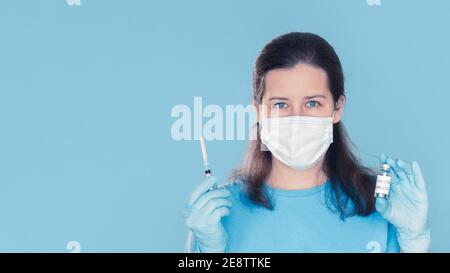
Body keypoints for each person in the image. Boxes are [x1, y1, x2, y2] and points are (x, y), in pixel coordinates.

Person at [183, 32, 430, 253]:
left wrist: (414, 242)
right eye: (280, 104)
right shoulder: (219, 217)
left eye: (312, 103)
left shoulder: (381, 207)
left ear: (337, 108)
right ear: (259, 112)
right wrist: (209, 250)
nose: (296, 118)